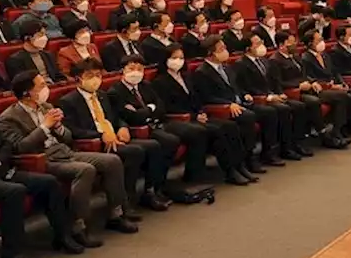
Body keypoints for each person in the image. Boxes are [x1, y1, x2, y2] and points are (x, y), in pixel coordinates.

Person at [0, 82, 85, 258]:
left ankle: (63, 236)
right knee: (14, 192)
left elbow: (5, 146)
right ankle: (12, 256)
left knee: (48, 182)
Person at [0, 70, 138, 243]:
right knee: (85, 170)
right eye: (41, 85)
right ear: (27, 92)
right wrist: (44, 127)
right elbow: (20, 147)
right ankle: (79, 226)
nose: (46, 89)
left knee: (112, 161)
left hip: (65, 152)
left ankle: (116, 214)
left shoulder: (47, 107)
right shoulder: (8, 117)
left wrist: (58, 128)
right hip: (43, 159)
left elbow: (68, 138)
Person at [59, 59, 174, 212]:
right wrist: (100, 135)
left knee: (153, 146)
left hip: (115, 136)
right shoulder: (68, 101)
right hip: (96, 142)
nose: (95, 79)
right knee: (135, 152)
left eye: (98, 75)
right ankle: (126, 201)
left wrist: (123, 127)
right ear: (78, 78)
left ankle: (149, 192)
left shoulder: (102, 95)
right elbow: (73, 129)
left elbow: (115, 117)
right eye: (90, 75)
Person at [151, 45, 256, 186]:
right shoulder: (159, 81)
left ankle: (239, 166)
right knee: (215, 130)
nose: (178, 61)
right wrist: (195, 117)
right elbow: (167, 107)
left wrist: (200, 112)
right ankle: (229, 171)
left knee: (229, 126)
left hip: (196, 115)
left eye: (181, 58)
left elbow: (197, 99)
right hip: (179, 119)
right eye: (174, 58)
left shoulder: (186, 77)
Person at [105, 56, 208, 201]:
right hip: (139, 129)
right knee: (168, 141)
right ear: (123, 71)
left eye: (139, 69)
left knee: (188, 134)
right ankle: (151, 189)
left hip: (158, 123)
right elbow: (130, 117)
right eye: (131, 69)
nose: (136, 72)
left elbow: (160, 108)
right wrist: (149, 109)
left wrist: (145, 110)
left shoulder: (146, 85)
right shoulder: (115, 91)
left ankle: (161, 184)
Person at [190, 36, 280, 171]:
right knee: (248, 117)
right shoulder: (202, 72)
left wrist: (244, 94)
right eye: (221, 49)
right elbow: (207, 97)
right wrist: (228, 104)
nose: (225, 51)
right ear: (211, 53)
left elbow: (237, 87)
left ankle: (268, 152)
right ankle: (248, 159)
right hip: (223, 108)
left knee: (269, 112)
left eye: (225, 48)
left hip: (240, 103)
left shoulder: (226, 67)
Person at [266, 29, 351, 150]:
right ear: (281, 45)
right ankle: (323, 135)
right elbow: (278, 82)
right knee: (313, 102)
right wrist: (299, 85)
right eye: (291, 42)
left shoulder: (295, 57)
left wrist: (312, 82)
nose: (295, 44)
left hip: (309, 88)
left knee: (341, 96)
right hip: (294, 92)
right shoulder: (275, 60)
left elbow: (305, 75)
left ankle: (336, 131)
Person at [233, 32, 310, 160]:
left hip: (272, 95)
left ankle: (291, 145)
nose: (261, 45)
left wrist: (278, 93)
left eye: (262, 42)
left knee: (298, 106)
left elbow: (273, 81)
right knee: (275, 111)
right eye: (257, 44)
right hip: (257, 100)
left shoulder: (264, 61)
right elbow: (246, 88)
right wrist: (267, 97)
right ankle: (269, 151)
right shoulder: (241, 64)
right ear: (248, 48)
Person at [301, 33, 351, 132]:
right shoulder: (306, 58)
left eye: (322, 39)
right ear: (310, 43)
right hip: (322, 90)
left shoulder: (325, 55)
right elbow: (310, 78)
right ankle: (337, 131)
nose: (322, 42)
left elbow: (335, 72)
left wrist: (342, 83)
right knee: (345, 97)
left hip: (335, 86)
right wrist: (331, 86)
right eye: (318, 40)